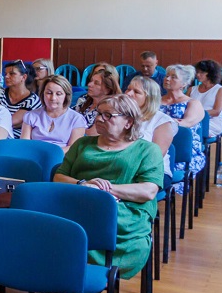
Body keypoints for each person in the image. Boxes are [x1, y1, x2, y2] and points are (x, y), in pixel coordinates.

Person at [53, 94, 164, 279]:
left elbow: (148, 190)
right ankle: (65, 275)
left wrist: (103, 190)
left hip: (124, 208)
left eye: (108, 115)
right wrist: (84, 184)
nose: (98, 119)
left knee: (98, 218)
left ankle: (89, 274)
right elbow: (59, 177)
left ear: (128, 122)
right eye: (98, 113)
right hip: (79, 200)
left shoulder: (147, 150)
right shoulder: (82, 144)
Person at [124, 76, 178, 187]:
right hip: (120, 166)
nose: (128, 94)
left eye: (136, 92)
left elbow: (154, 158)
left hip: (151, 172)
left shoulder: (162, 121)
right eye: (128, 89)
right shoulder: (119, 115)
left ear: (149, 98)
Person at [159, 65, 206, 189]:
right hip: (159, 146)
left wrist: (161, 123)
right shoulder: (157, 101)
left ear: (184, 84)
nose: (167, 79)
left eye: (173, 77)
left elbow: (186, 123)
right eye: (167, 76)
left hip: (183, 149)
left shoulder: (193, 103)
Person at [22, 75, 87, 151]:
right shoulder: (31, 116)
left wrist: (51, 155)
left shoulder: (77, 119)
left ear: (66, 96)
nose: (53, 98)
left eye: (59, 94)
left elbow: (73, 149)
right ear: (43, 94)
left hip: (63, 158)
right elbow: (24, 145)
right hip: (34, 156)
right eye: (49, 93)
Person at [0, 60, 42, 139]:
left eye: (12, 74)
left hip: (18, 140)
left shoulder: (32, 100)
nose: (6, 76)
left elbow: (10, 121)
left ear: (24, 77)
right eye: (5, 74)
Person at [192, 60, 222, 139]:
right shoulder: (192, 89)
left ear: (210, 73)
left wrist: (195, 114)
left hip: (211, 122)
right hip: (193, 119)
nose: (198, 75)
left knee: (192, 128)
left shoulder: (220, 90)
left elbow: (216, 111)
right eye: (197, 72)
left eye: (202, 73)